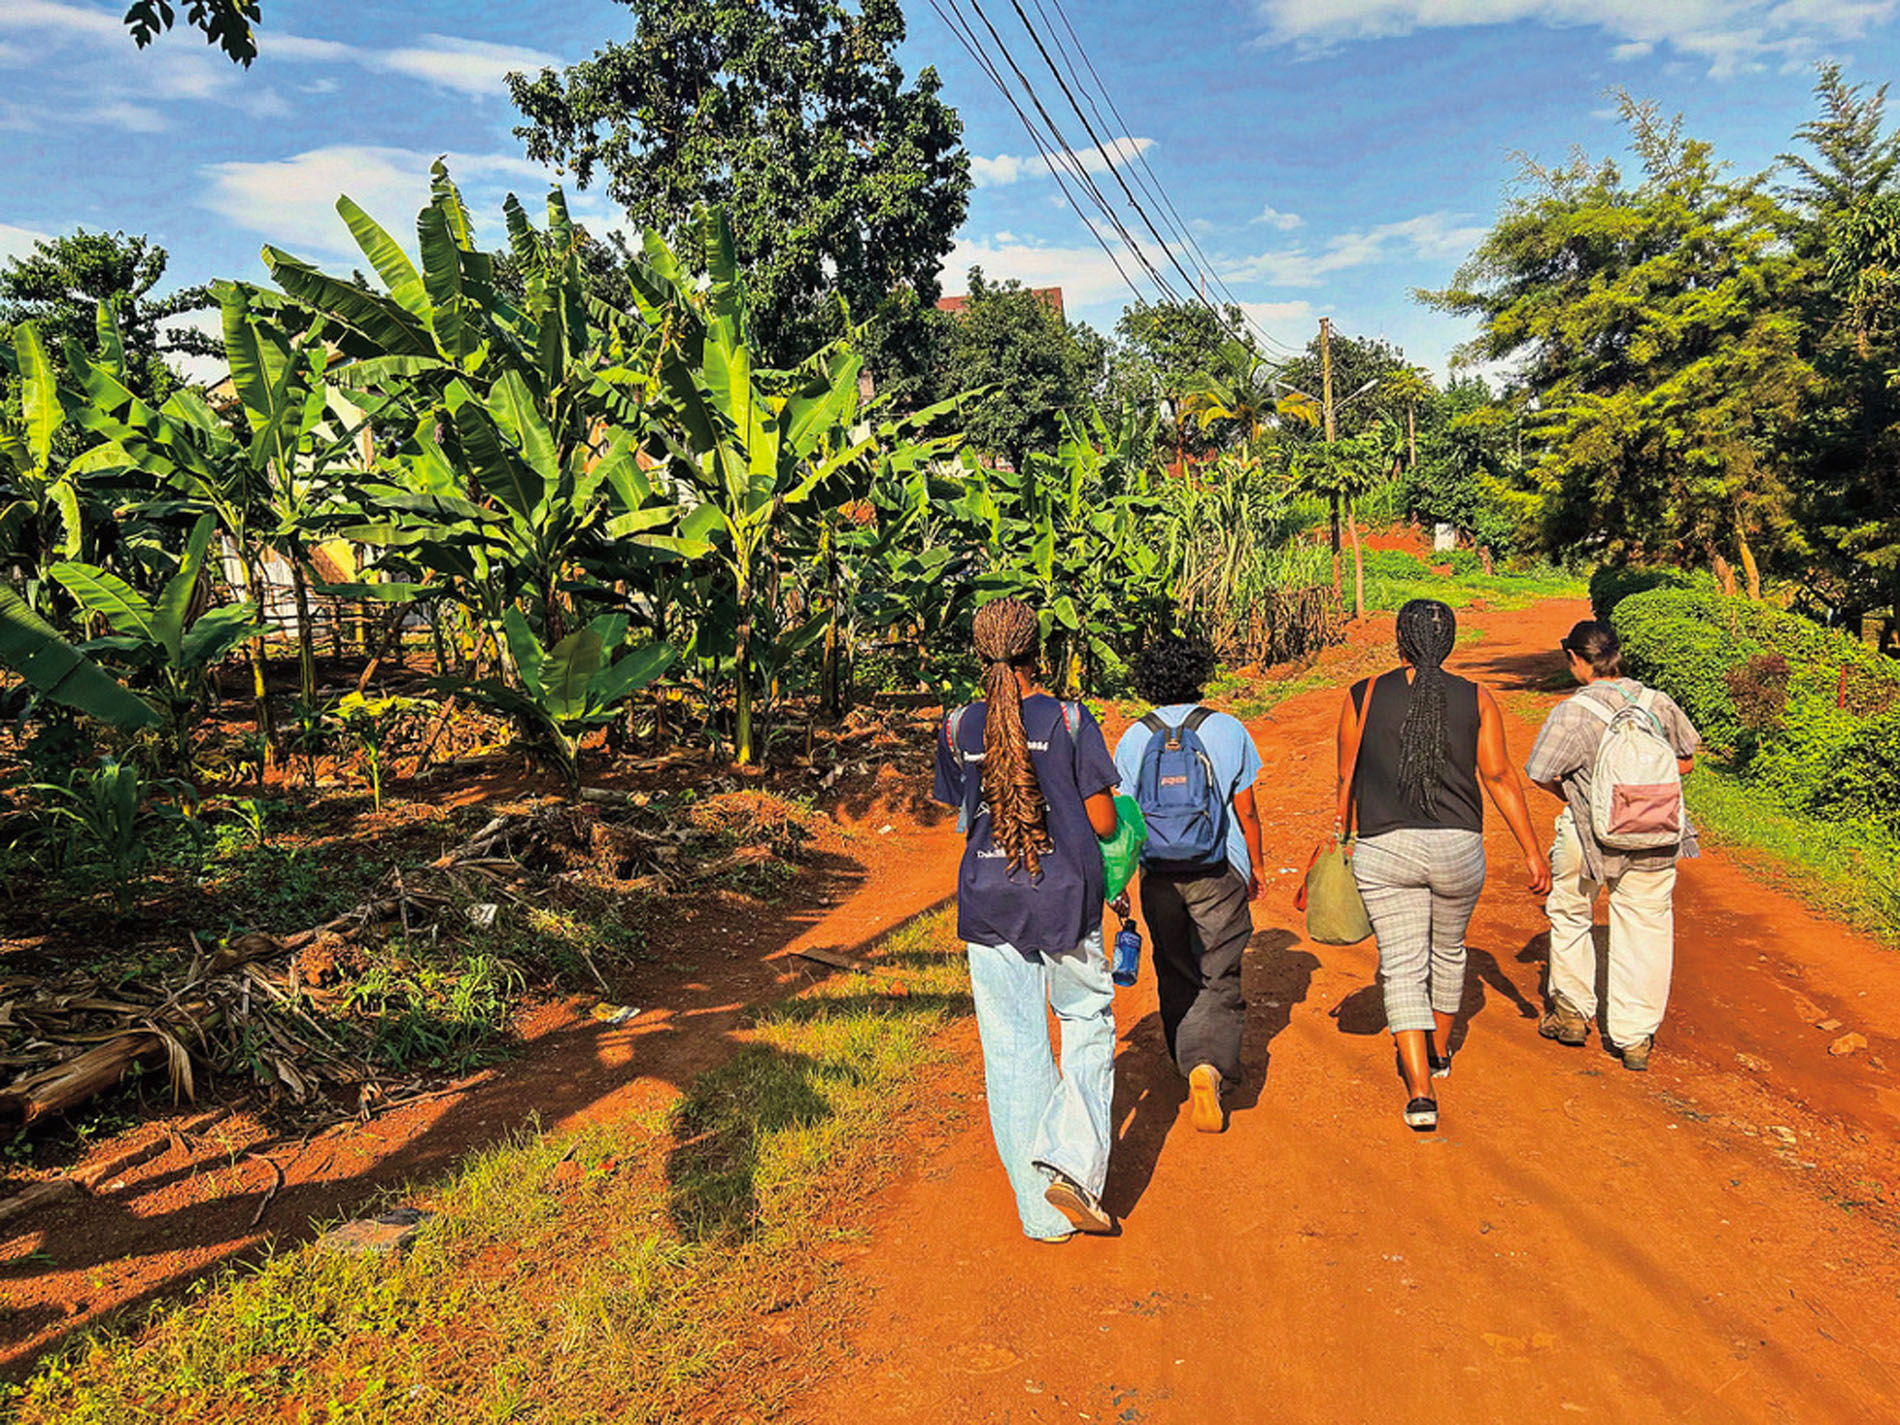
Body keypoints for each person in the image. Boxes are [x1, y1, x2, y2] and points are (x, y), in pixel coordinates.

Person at [933, 598, 1123, 1241]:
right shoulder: (1068, 719)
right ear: (1038, 652)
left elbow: (956, 810)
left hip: (988, 899)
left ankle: (1041, 1218)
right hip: (1065, 899)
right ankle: (1070, 1164)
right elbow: (1101, 821)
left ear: (978, 654)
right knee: (1086, 1026)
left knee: (1012, 1051)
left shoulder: (958, 724)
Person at [1338, 599, 1551, 1131]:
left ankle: (1420, 1092)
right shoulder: (1476, 698)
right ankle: (1438, 1052)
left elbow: (1345, 779)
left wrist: (1339, 840)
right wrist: (1530, 849)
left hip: (1384, 849)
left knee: (1403, 966)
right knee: (1449, 952)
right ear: (1449, 643)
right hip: (1458, 849)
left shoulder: (1363, 696)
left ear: (1398, 640)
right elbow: (1499, 776)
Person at [1525, 620, 1700, 1072]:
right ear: (1617, 654)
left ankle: (1571, 1014)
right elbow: (1686, 760)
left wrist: (1585, 796)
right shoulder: (1656, 702)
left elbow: (1540, 771)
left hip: (1588, 834)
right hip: (1657, 834)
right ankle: (1634, 1038)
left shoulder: (1572, 712)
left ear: (1577, 660)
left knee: (1569, 913)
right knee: (1646, 927)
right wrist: (1641, 792)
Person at [1112, 633, 1264, 1134]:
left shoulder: (1135, 737)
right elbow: (1246, 809)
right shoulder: (1227, 729)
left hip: (1159, 873)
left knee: (1175, 967)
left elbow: (1125, 818)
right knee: (1219, 970)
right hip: (1219, 869)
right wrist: (1257, 867)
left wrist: (1123, 881)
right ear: (1199, 674)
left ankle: (1188, 1059)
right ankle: (1210, 1066)